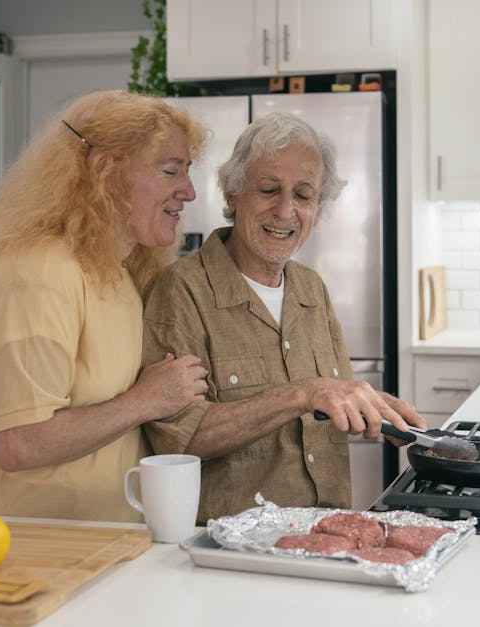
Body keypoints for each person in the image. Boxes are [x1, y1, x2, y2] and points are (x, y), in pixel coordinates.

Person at [0, 90, 210, 522]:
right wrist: (146, 400)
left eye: (187, 172)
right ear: (105, 173)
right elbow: (19, 442)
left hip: (89, 545)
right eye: (170, 171)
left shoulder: (116, 270)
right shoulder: (40, 272)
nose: (187, 192)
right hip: (10, 545)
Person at [141, 112, 427, 522]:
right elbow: (179, 442)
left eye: (304, 195)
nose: (285, 210)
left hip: (326, 536)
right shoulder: (182, 291)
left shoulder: (312, 290)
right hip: (233, 554)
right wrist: (300, 394)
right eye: (269, 189)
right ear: (233, 194)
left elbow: (333, 396)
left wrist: (382, 412)